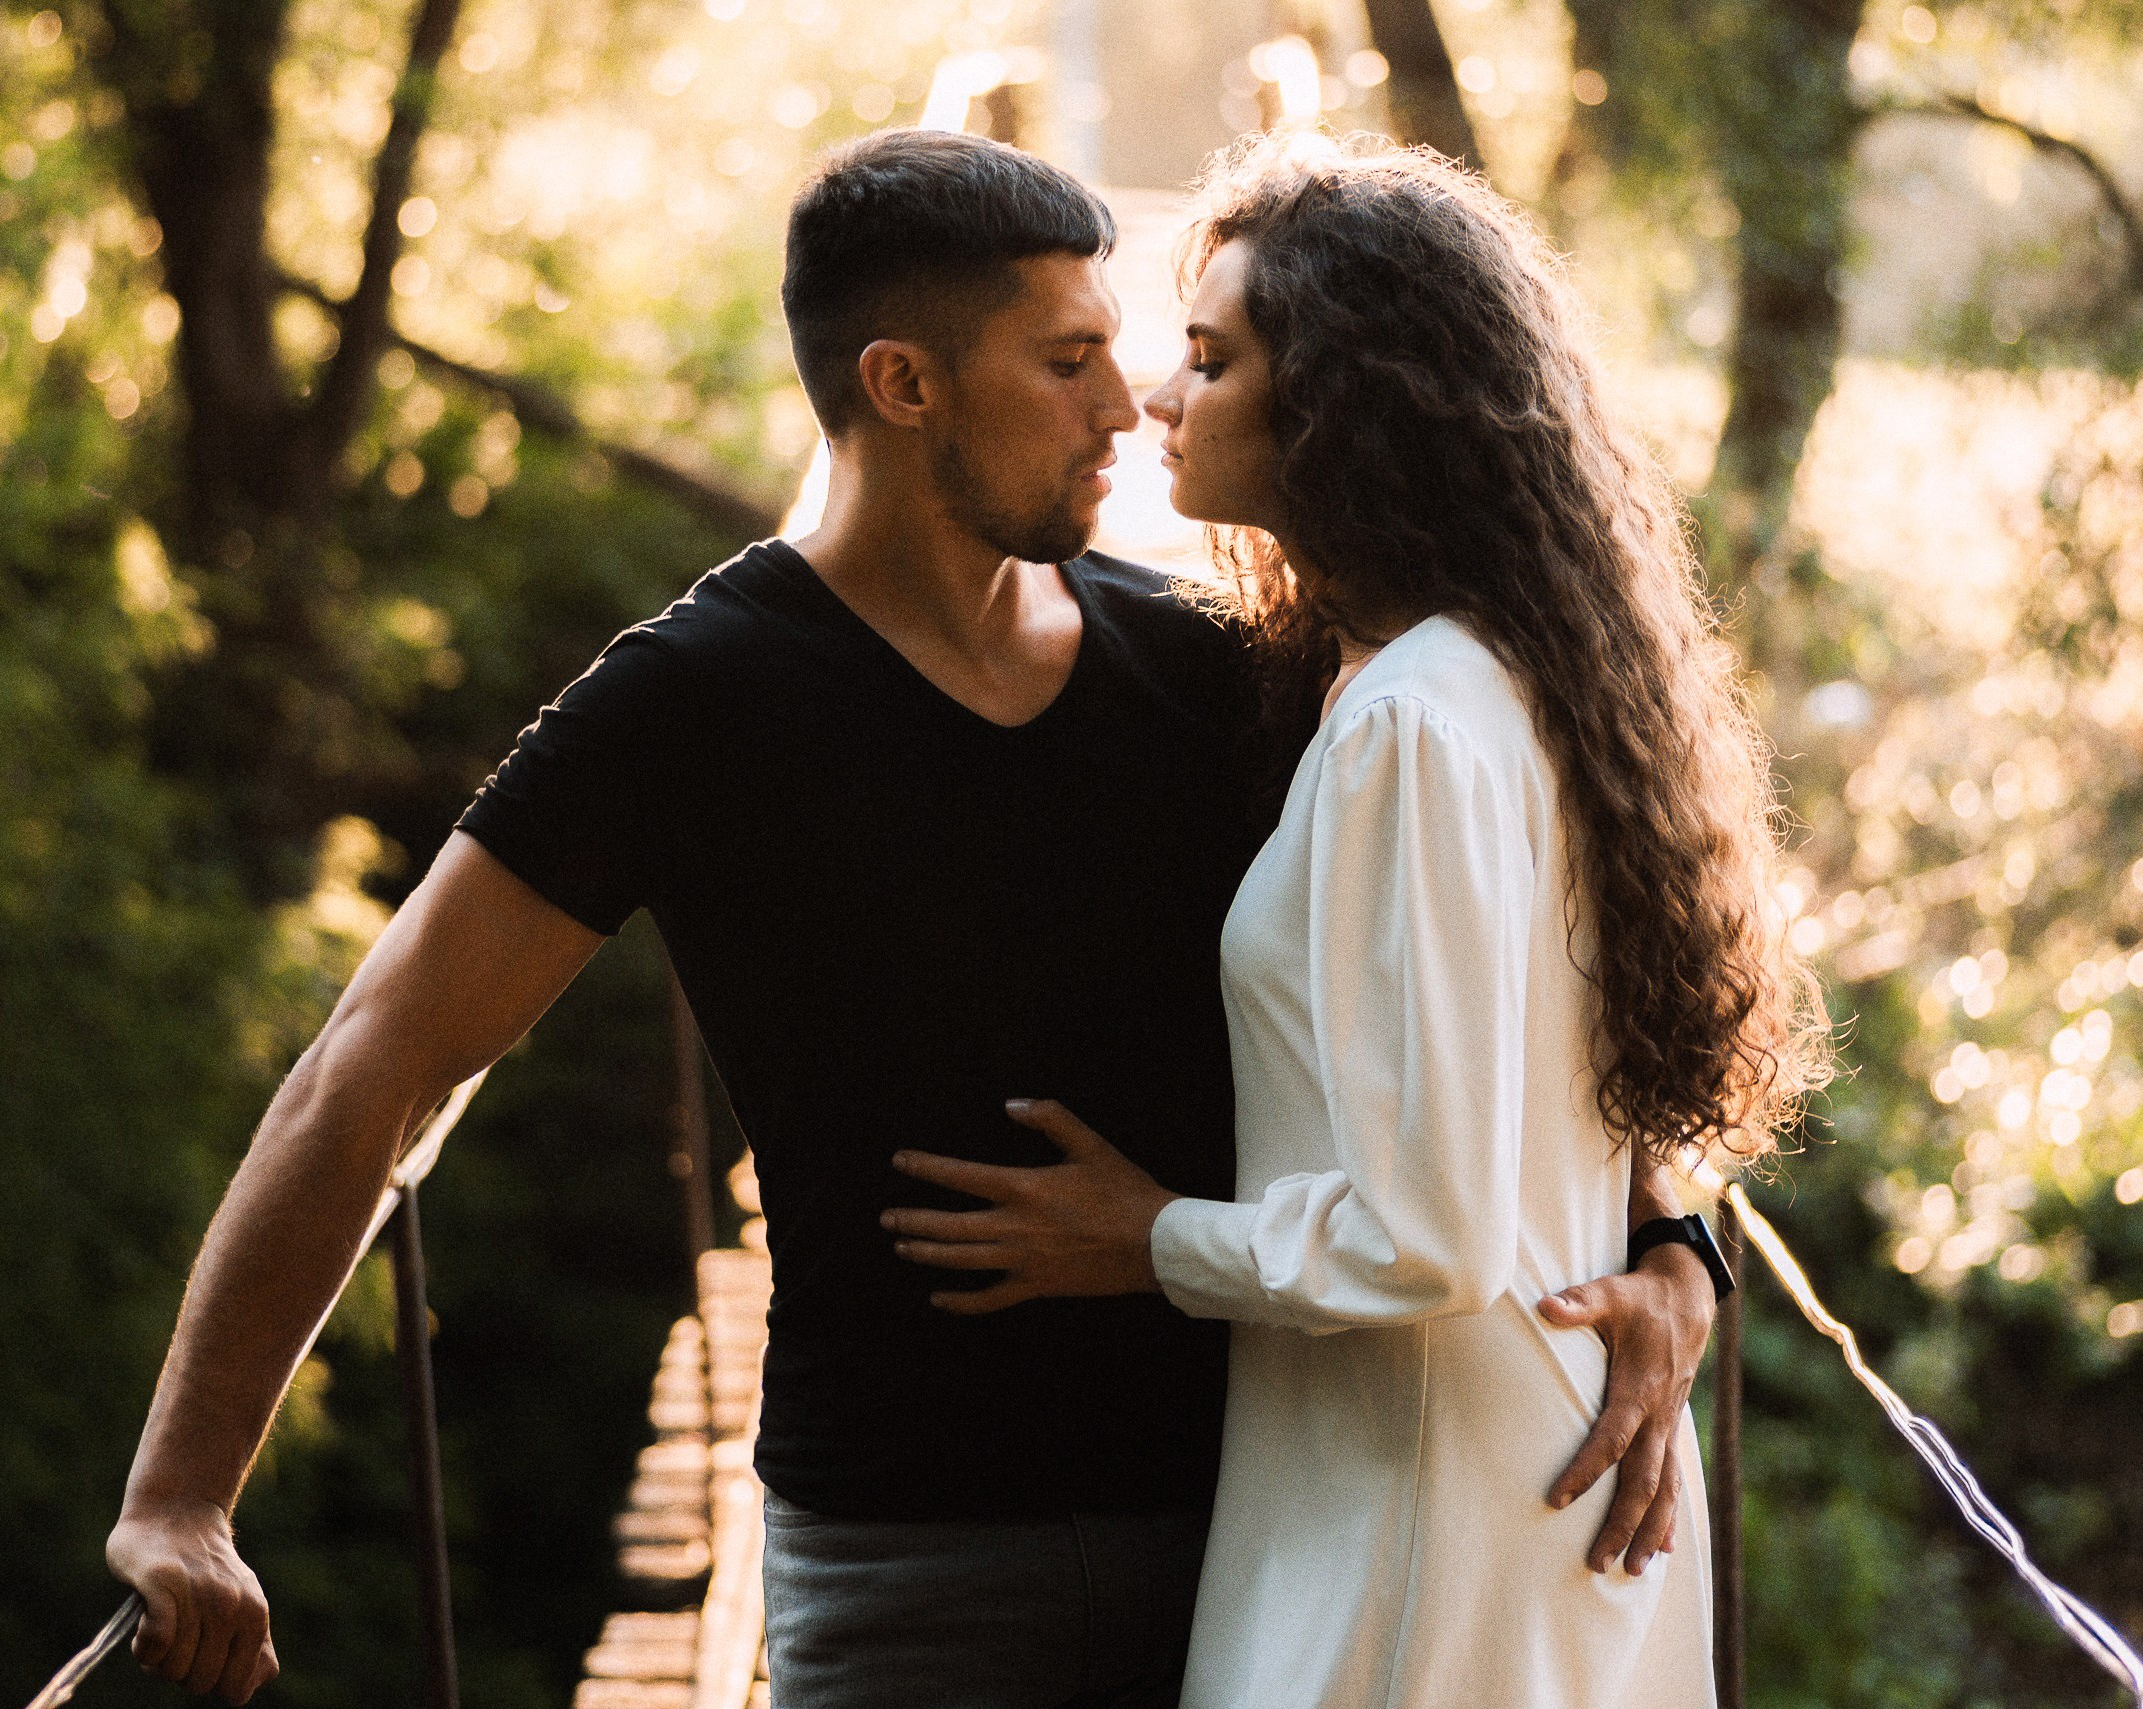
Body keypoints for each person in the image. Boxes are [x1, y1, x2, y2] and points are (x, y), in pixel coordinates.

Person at [102, 130, 1717, 1709]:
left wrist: (1665, 1238)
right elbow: (374, 1067)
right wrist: (182, 1491)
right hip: (903, 1565)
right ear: (904, 384)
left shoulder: (1225, 666)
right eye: (1069, 361)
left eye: (1146, 355)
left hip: (1260, 1523)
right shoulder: (688, 703)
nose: (1129, 408)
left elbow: (1541, 936)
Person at [882, 134, 1830, 1708]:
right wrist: (1676, 1252)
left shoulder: (1412, 720)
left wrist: (1146, 1238)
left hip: (1427, 1499)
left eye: (1210, 354)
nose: (1154, 398)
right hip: (1516, 1454)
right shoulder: (1508, 675)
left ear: (1347, 396)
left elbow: (1432, 1232)